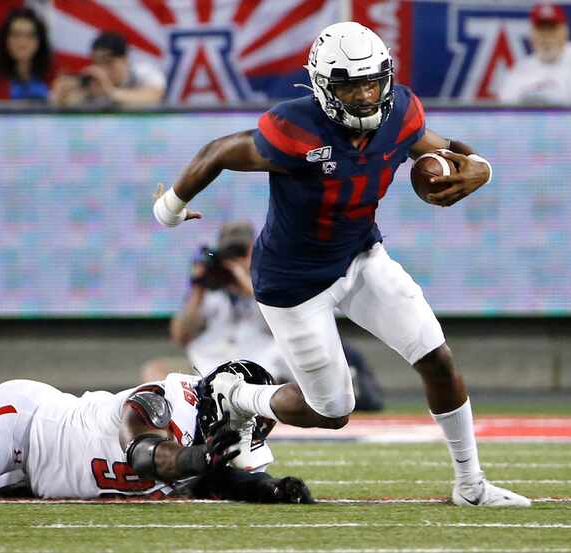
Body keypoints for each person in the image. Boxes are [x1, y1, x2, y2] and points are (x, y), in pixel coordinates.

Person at [152, 21, 530, 507]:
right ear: (324, 88)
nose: (367, 95)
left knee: (437, 358)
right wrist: (171, 209)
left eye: (373, 81)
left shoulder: (400, 113)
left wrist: (483, 167)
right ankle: (235, 395)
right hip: (294, 285)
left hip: (360, 258)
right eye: (352, 86)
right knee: (332, 411)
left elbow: (446, 149)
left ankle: (471, 485)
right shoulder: (295, 128)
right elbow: (218, 152)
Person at [0, 355, 313, 503]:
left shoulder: (213, 443)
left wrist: (275, 489)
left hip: (26, 481)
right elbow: (146, 454)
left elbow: (229, 480)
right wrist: (199, 457)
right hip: (17, 430)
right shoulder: (157, 400)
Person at [169, 220, 385, 411]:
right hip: (216, 364)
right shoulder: (209, 288)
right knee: (158, 370)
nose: (234, 259)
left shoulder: (271, 275)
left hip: (267, 363)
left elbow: (287, 324)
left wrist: (248, 283)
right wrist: (198, 288)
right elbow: (180, 336)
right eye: (229, 253)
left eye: (240, 252)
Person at [498, 3, 571, 105]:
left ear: (565, 31)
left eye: (552, 29)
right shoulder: (520, 70)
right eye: (541, 30)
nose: (547, 37)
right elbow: (503, 116)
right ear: (532, 33)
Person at [50, 31, 165, 109]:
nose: (102, 69)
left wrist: (110, 92)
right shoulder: (91, 81)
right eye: (97, 63)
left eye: (108, 62)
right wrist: (62, 97)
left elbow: (154, 96)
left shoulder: (144, 72)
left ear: (125, 59)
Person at [0, 7, 55, 102]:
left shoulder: (53, 73)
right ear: (5, 39)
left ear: (40, 41)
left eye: (30, 36)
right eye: (16, 35)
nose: (22, 42)